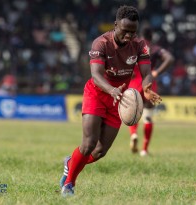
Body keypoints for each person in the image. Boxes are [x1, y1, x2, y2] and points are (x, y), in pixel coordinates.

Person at [59, 5, 162, 197]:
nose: (129, 36)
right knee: (89, 143)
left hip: (119, 99)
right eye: (125, 31)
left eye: (133, 32)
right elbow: (96, 75)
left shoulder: (140, 45)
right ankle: (69, 184)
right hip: (97, 93)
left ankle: (70, 162)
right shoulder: (101, 43)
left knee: (99, 152)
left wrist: (147, 88)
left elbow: (146, 73)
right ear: (116, 25)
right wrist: (111, 89)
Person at [128, 27, 174, 156]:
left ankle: (134, 134)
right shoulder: (155, 48)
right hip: (149, 83)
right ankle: (144, 150)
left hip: (134, 82)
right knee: (148, 116)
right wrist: (157, 72)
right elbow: (169, 58)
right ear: (152, 37)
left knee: (133, 114)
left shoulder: (133, 46)